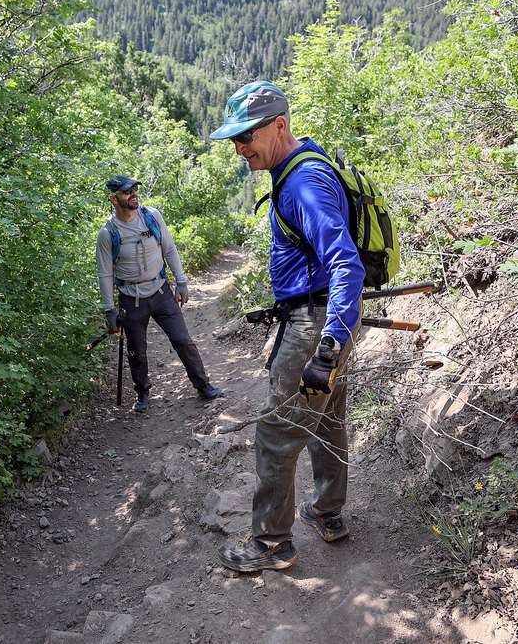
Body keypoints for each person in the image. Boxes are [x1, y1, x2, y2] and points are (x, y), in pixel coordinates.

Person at [209, 81, 365, 572]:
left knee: (278, 432)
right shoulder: (302, 164)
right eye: (234, 139)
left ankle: (271, 543)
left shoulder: (301, 183)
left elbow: (347, 265)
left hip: (316, 326)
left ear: (279, 125)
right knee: (328, 417)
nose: (239, 148)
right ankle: (328, 513)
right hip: (319, 317)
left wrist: (328, 347)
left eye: (246, 137)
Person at [96, 175, 224, 413]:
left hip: (161, 291)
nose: (133, 194)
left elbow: (170, 249)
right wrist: (109, 309)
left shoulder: (152, 217)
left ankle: (203, 385)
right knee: (137, 351)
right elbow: (104, 274)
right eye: (126, 192)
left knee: (183, 341)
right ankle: (142, 394)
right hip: (131, 298)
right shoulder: (108, 233)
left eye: (134, 189)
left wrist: (182, 282)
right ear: (113, 199)